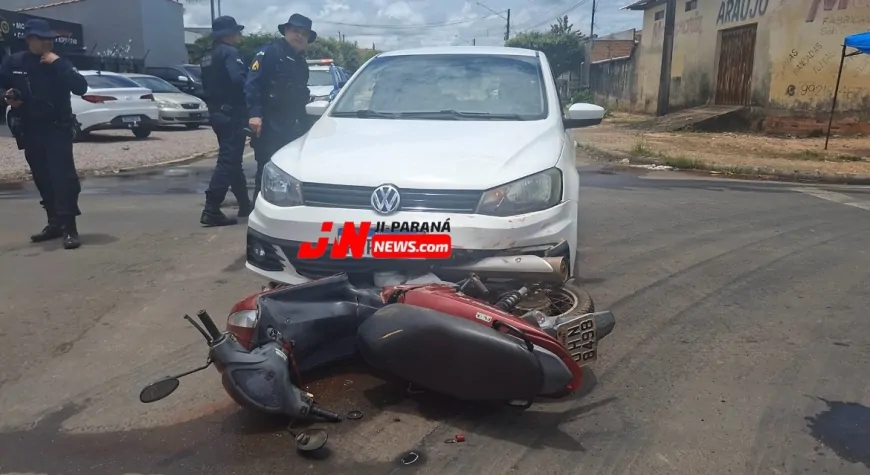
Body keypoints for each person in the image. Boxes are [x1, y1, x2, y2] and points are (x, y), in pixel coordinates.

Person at [0, 19, 88, 249]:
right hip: (30, 129)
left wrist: (58, 63)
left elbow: (81, 87)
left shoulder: (60, 62)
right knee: (42, 178)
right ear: (29, 39)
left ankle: (70, 228)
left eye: (50, 38)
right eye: (42, 38)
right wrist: (7, 96)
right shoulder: (14, 62)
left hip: (57, 127)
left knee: (63, 179)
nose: (47, 42)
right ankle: (54, 224)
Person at [245, 14, 314, 201]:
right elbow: (252, 85)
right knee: (267, 169)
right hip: (269, 122)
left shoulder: (300, 62)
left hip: (292, 125)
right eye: (295, 31)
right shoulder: (270, 53)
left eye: (303, 33)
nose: (299, 36)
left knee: (289, 172)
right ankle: (258, 212)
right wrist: (254, 114)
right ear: (285, 31)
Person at [199, 15, 252, 227]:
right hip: (231, 115)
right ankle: (211, 208)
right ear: (229, 35)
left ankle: (245, 204)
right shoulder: (230, 53)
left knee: (232, 160)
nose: (240, 35)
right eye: (238, 32)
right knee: (228, 161)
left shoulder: (207, 56)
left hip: (216, 113)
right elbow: (239, 81)